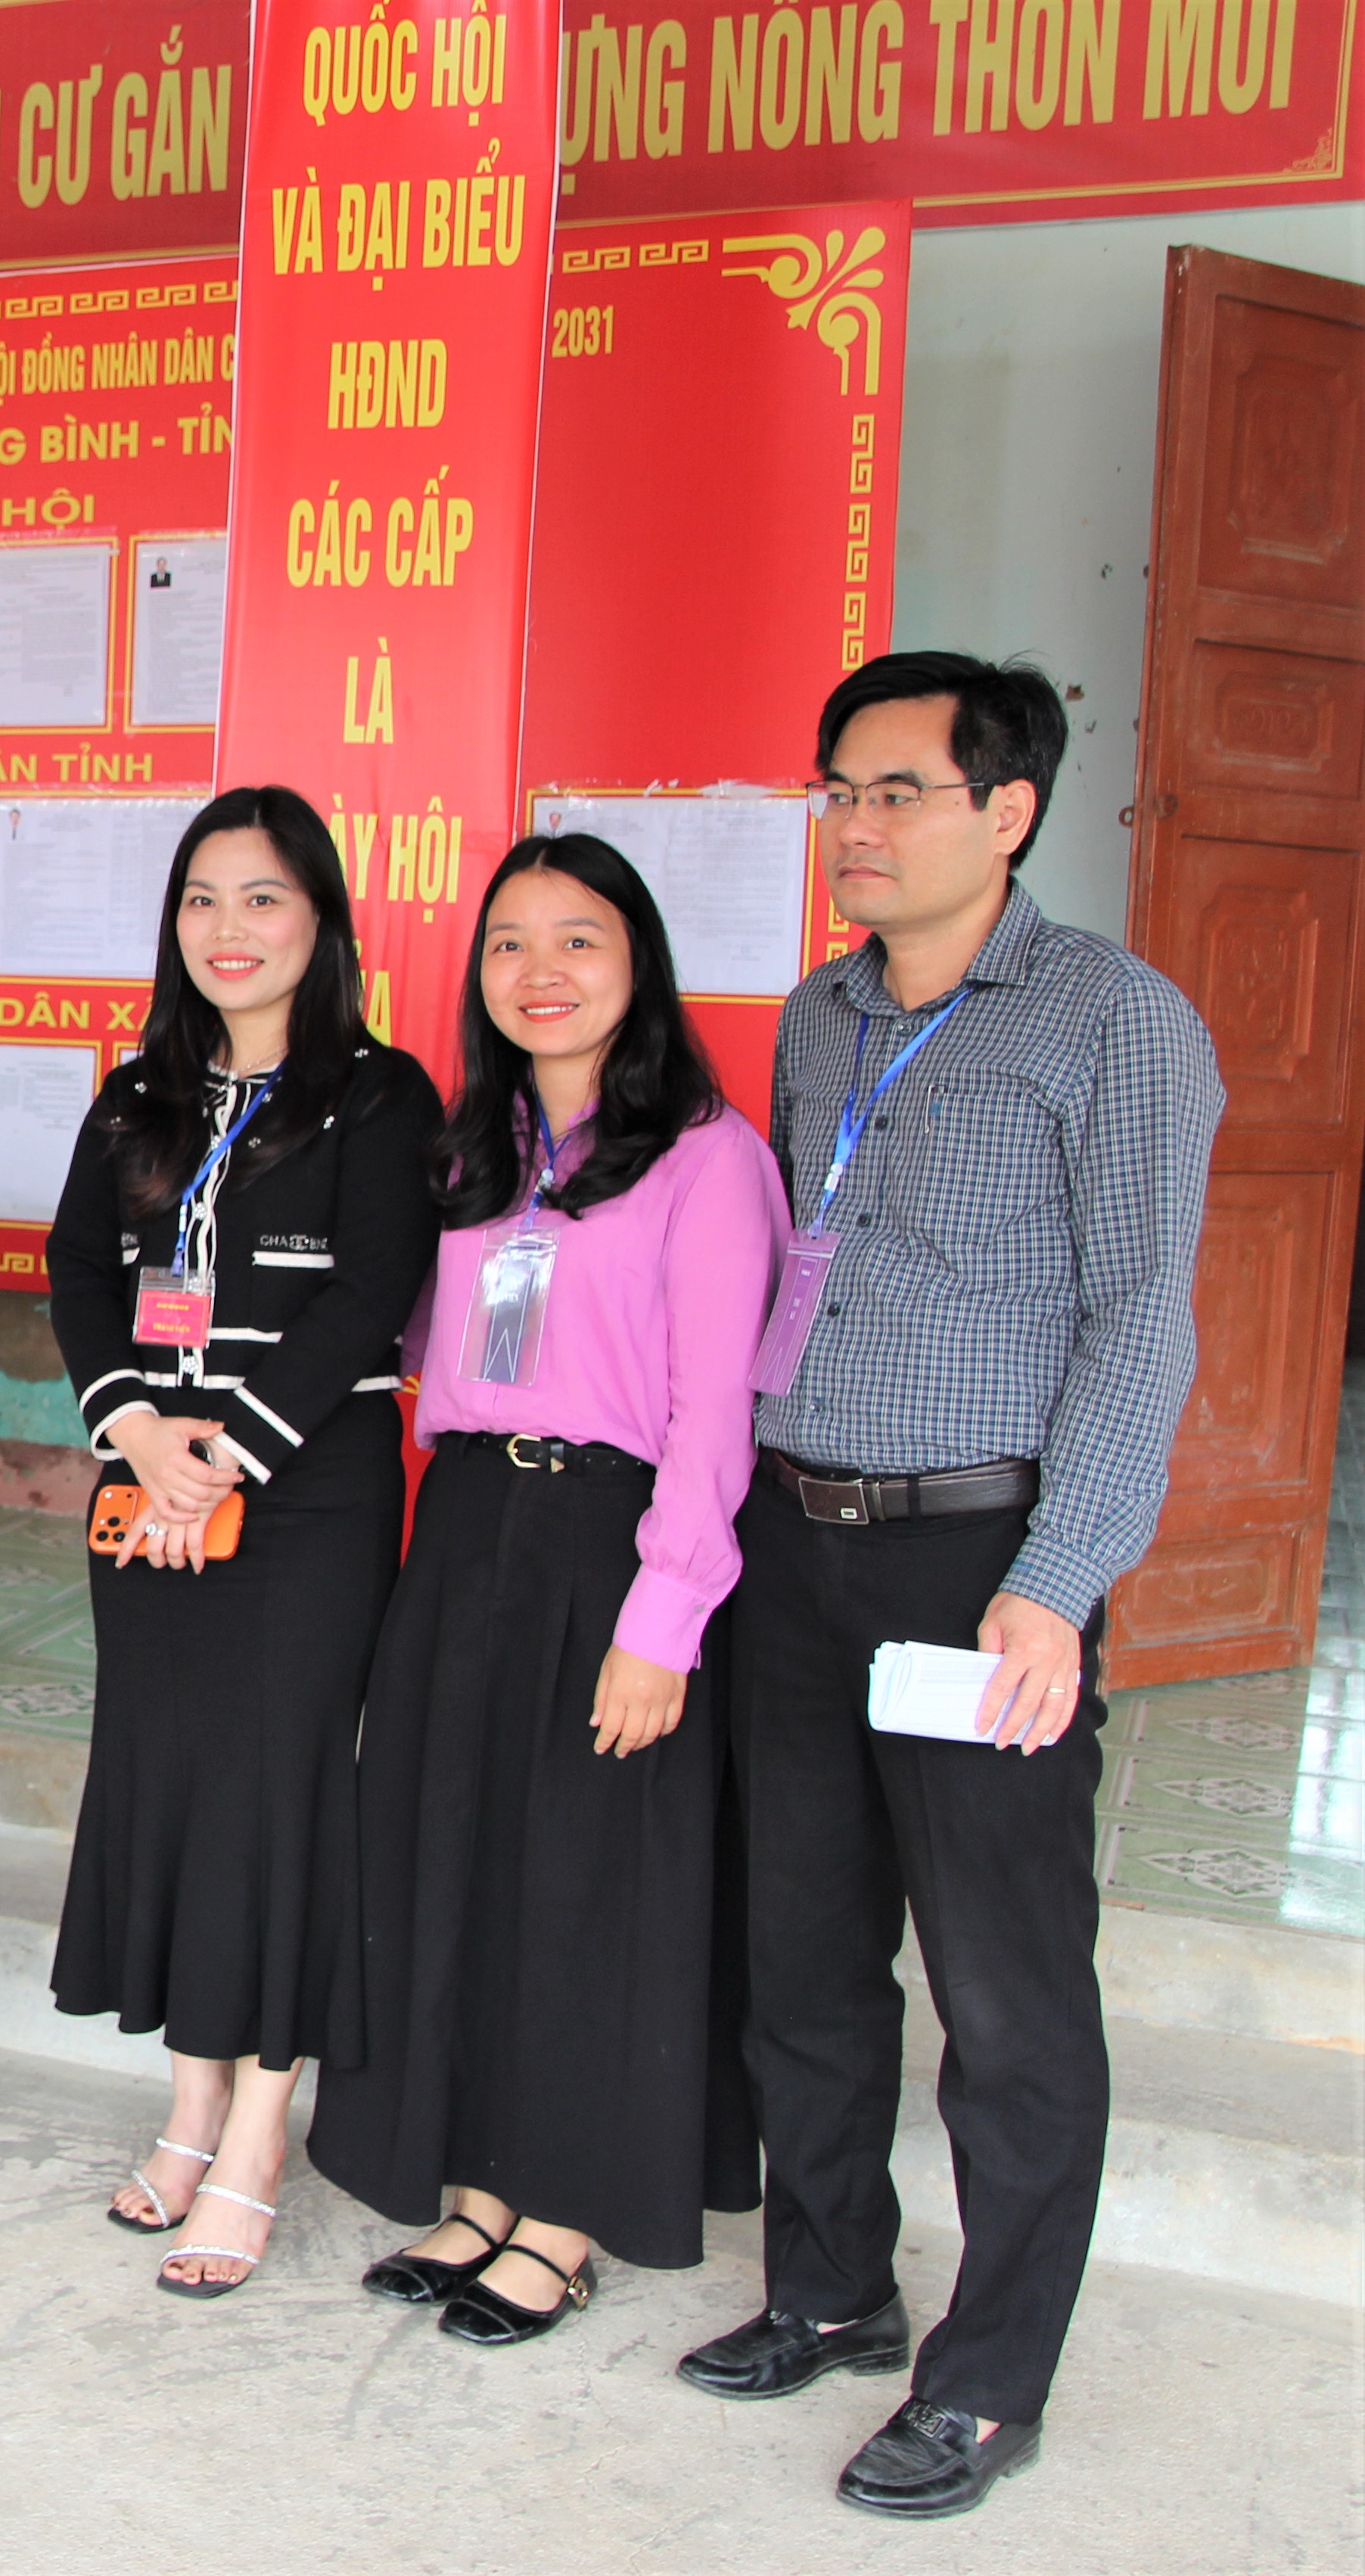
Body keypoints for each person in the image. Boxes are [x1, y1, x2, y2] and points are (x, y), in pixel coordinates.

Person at [681, 653, 1217, 2519]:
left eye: (895, 789)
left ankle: (987, 2380)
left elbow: (1140, 1322)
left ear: (1008, 810)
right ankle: (829, 2285)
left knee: (1002, 1993)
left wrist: (1058, 1582)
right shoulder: (818, 1014)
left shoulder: (1115, 1020)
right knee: (803, 1953)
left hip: (978, 1563)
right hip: (795, 1542)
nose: (854, 824)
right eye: (836, 788)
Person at [303, 833, 783, 2342]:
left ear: (638, 962)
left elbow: (715, 1412)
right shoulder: (473, 1155)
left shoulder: (708, 1157)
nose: (540, 971)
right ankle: (477, 2182)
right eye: (509, 941)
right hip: (463, 1531)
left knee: (585, 1880)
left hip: (610, 1539)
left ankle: (563, 2208)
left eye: (579, 938)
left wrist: (663, 1620)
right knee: (456, 1855)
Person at [42, 785, 436, 2291]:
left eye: (263, 897)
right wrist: (140, 1433)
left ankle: (262, 2130)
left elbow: (369, 1292)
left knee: (278, 1797)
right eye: (203, 897)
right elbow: (82, 1269)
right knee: (173, 1780)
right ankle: (191, 2103)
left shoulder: (379, 1094)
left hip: (302, 1500)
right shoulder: (138, 1092)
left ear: (320, 919)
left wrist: (225, 1456)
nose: (230, 927)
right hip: (147, 1490)